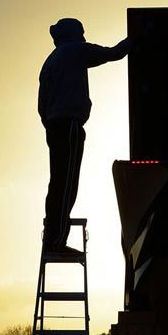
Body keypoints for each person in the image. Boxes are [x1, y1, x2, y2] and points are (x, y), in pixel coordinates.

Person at [38, 17, 131, 255]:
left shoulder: (50, 61)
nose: (84, 37)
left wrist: (50, 124)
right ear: (75, 33)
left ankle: (52, 237)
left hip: (55, 126)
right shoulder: (75, 50)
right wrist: (137, 40)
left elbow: (41, 105)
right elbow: (113, 53)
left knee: (58, 182)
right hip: (68, 124)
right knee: (67, 183)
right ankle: (56, 241)